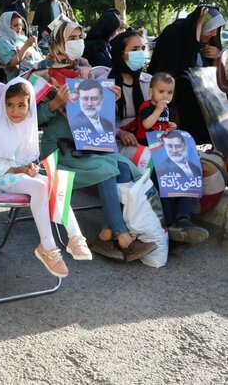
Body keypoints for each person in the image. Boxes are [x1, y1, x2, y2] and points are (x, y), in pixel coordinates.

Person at [33, 21, 157, 263]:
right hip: (59, 151)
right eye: (72, 38)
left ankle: (105, 232)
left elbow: (95, 120)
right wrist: (54, 104)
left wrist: (109, 99)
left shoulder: (85, 72)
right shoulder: (40, 74)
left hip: (87, 145)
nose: (78, 42)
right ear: (59, 41)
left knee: (123, 167)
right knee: (108, 169)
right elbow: (27, 119)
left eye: (81, 36)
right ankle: (123, 238)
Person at [0, 77, 92, 277]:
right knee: (39, 187)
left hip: (13, 178)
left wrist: (28, 168)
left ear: (30, 106)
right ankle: (47, 247)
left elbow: (21, 160)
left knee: (50, 183)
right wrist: (19, 170)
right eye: (10, 105)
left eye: (21, 105)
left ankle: (75, 237)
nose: (15, 111)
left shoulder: (26, 126)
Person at [154, 130, 208, 244]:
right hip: (151, 142)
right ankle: (171, 226)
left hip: (162, 136)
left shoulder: (193, 167)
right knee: (162, 177)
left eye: (178, 146)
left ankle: (183, 220)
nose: (174, 150)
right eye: (171, 146)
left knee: (188, 175)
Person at [148, 6, 225, 77]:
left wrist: (218, 57)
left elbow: (216, 77)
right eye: (211, 30)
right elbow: (182, 69)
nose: (214, 34)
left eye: (217, 30)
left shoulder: (210, 42)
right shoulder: (174, 34)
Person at [108, 30, 152, 148]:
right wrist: (119, 132)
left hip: (147, 137)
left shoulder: (150, 81)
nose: (141, 53)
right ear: (121, 54)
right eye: (134, 49)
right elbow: (96, 120)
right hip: (116, 142)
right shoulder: (104, 83)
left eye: (143, 48)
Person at [130, 72, 177, 146]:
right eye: (161, 92)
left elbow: (162, 122)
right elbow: (146, 125)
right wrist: (158, 110)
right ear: (151, 92)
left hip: (159, 140)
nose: (165, 96)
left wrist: (169, 126)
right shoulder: (146, 106)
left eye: (170, 92)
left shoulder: (165, 108)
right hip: (145, 142)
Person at [0, 11, 42, 81]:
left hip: (37, 71)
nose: (19, 27)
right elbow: (13, 62)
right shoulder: (2, 42)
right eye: (16, 25)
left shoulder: (23, 38)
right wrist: (26, 46)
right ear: (7, 26)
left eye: (20, 25)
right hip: (21, 79)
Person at [68, 79, 116, 145]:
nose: (89, 104)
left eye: (94, 98)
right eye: (85, 99)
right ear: (79, 99)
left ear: (101, 98)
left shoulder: (108, 124)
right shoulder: (73, 124)